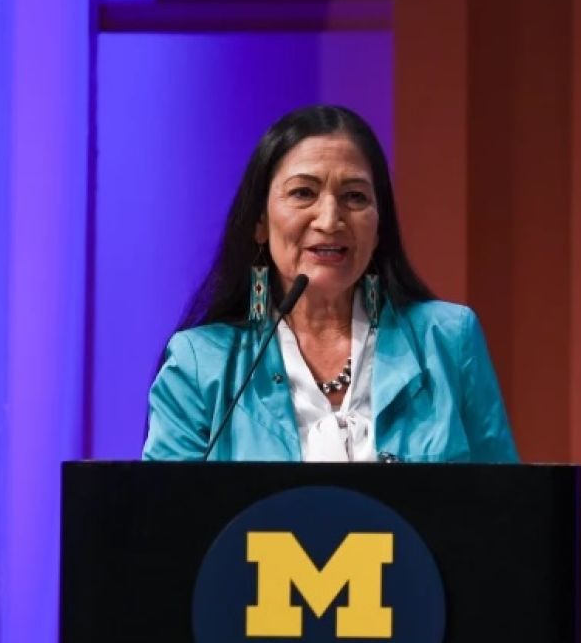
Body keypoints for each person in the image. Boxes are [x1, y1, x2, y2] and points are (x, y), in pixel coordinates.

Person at [142, 105, 518, 463]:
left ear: (378, 225)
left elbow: (507, 507)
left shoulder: (448, 340)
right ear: (259, 222)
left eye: (354, 197)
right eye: (303, 193)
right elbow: (165, 518)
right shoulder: (199, 363)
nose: (330, 219)